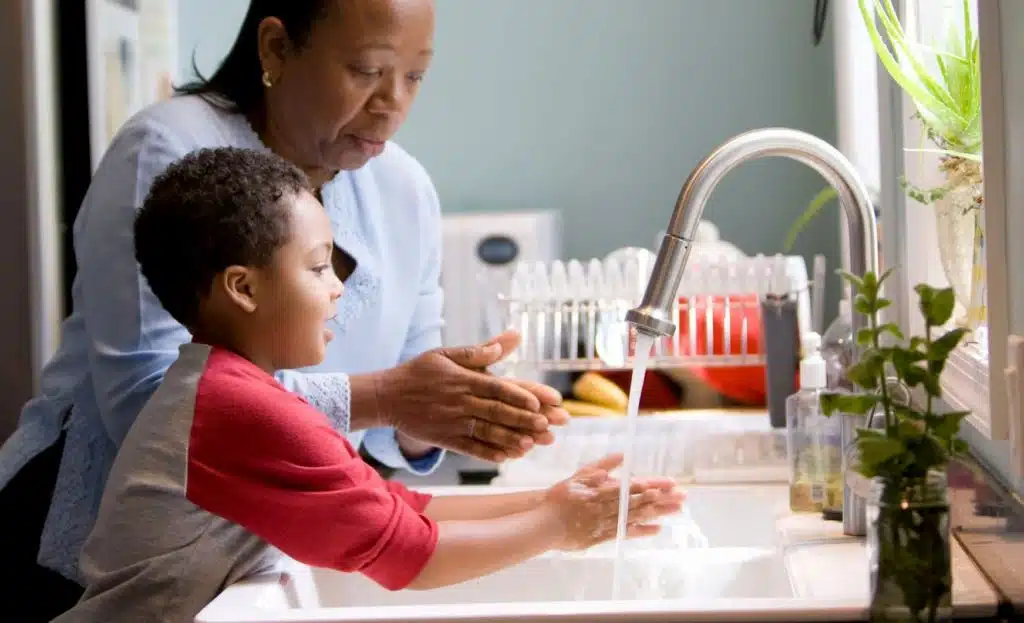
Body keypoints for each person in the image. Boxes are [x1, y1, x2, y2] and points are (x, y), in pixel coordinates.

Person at [0, 1, 568, 620]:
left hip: (253, 558)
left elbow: (396, 418)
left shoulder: (406, 190)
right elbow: (150, 403)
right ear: (274, 49)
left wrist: (452, 408)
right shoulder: (169, 148)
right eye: (367, 69)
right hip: (86, 557)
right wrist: (386, 397)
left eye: (415, 75)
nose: (393, 102)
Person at [53, 146, 683, 623]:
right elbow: (412, 554)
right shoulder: (237, 408)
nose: (338, 287)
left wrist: (551, 501)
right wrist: (560, 527)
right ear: (242, 288)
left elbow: (405, 509)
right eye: (319, 266)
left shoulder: (231, 390)